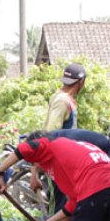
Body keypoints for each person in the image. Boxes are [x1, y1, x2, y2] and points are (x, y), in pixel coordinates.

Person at [32, 63, 87, 207]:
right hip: (58, 163)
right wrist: (35, 170)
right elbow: (49, 134)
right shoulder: (63, 101)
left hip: (63, 161)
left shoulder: (59, 96)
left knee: (64, 202)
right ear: (81, 82)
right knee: (59, 204)